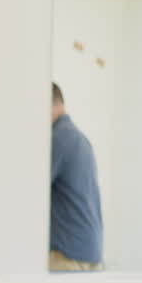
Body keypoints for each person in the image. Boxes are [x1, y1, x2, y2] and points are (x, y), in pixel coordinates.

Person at [50, 82, 104, 271]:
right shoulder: (80, 139)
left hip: (68, 255)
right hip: (90, 252)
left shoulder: (57, 138)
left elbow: (30, 190)